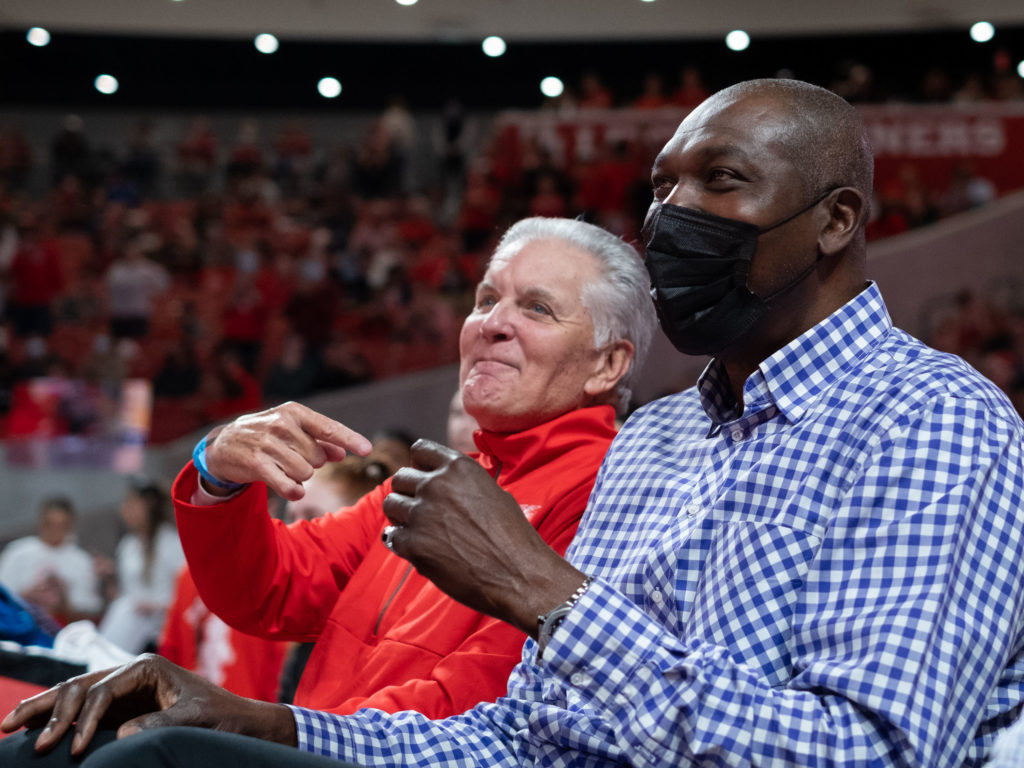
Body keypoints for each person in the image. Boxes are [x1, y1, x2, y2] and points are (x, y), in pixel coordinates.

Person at [5, 78, 1024, 768]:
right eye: (659, 188)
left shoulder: (929, 422)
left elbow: (876, 755)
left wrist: (547, 595)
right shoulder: (662, 441)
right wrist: (263, 723)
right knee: (112, 745)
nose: (671, 217)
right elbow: (529, 738)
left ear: (837, 220)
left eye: (720, 182)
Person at [97, 481, 184, 654]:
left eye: (131, 504)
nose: (124, 510)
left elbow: (186, 597)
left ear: (148, 507)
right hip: (132, 625)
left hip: (161, 631)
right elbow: (126, 592)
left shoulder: (171, 544)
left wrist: (154, 607)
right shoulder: (127, 545)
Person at [0, 497, 102, 624]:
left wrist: (64, 600)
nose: (55, 531)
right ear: (41, 522)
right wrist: (27, 595)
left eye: (61, 525)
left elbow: (90, 613)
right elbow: (3, 599)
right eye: (50, 524)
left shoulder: (82, 560)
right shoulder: (17, 552)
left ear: (70, 526)